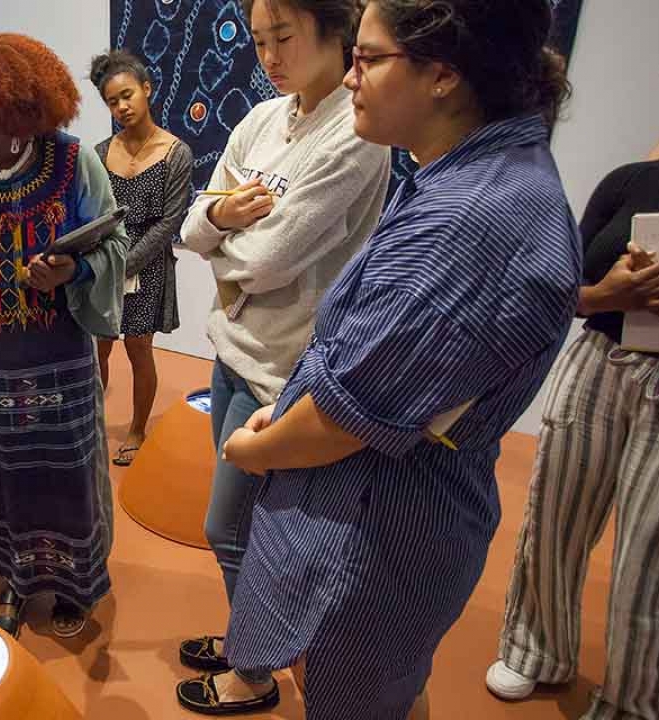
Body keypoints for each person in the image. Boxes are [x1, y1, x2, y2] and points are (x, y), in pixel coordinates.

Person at [186, 1, 581, 716]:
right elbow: (200, 224)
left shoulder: (469, 219)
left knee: (352, 692)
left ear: (444, 75)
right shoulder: (466, 178)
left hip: (374, 523)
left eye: (367, 59)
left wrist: (259, 446)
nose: (351, 78)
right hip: (363, 499)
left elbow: (348, 418)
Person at [174, 0, 389, 689]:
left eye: (284, 38)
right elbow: (191, 225)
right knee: (245, 530)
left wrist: (218, 238)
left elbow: (269, 261)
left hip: (286, 367)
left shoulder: (356, 135)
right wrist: (215, 218)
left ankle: (257, 669)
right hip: (232, 345)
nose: (268, 56)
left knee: (232, 529)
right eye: (260, 40)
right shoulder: (264, 118)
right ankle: (253, 642)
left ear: (336, 34)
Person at [0, 33, 127, 639]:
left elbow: (111, 242)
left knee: (62, 479)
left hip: (57, 361)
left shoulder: (71, 161)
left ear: (17, 108)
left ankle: (72, 584)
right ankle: (10, 580)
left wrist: (74, 268)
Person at [484, 152, 659, 719]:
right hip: (600, 355)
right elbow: (568, 286)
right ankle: (535, 648)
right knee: (555, 509)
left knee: (648, 549)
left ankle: (634, 699)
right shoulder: (630, 179)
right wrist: (612, 292)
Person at [89, 49, 193, 467]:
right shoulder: (99, 152)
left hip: (147, 265)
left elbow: (169, 222)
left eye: (127, 95)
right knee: (98, 347)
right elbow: (93, 215)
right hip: (103, 262)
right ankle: (93, 424)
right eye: (112, 102)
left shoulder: (175, 152)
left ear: (147, 89)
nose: (122, 107)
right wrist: (104, 264)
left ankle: (136, 428)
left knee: (138, 348)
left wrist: (126, 264)